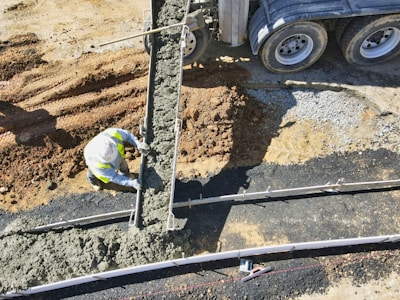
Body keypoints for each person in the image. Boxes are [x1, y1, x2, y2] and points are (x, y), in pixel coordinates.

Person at [83, 128, 150, 191]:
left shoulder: (112, 134)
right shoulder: (96, 164)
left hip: (119, 156)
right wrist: (131, 183)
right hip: (97, 166)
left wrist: (138, 144)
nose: (113, 159)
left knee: (123, 165)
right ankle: (93, 181)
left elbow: (128, 136)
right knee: (92, 173)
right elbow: (114, 177)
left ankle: (126, 174)